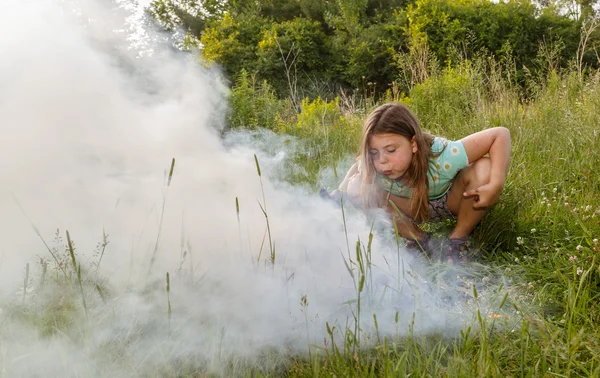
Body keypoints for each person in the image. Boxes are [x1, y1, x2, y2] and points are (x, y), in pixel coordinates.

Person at [324, 102, 511, 263]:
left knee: (485, 167)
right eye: (374, 152)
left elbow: (500, 134)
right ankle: (419, 240)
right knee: (357, 187)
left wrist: (496, 184)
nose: (382, 160)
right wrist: (340, 192)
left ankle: (457, 241)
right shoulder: (374, 164)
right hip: (410, 206)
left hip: (451, 201)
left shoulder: (444, 155)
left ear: (413, 143)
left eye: (390, 150)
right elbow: (360, 164)